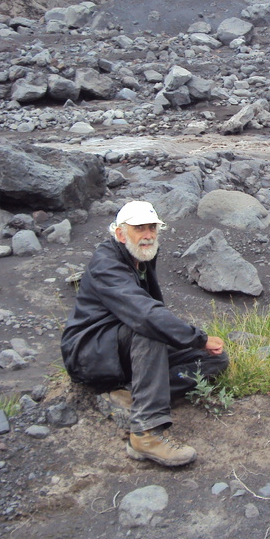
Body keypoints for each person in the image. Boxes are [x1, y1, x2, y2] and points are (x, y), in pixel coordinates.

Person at [61, 200, 227, 467]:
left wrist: (196, 344)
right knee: (151, 331)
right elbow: (145, 315)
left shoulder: (140, 256)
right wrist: (199, 337)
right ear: (120, 233)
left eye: (152, 227)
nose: (148, 235)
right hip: (90, 355)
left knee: (213, 360)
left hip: (122, 350)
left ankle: (128, 393)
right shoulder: (106, 264)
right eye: (139, 228)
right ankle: (146, 433)